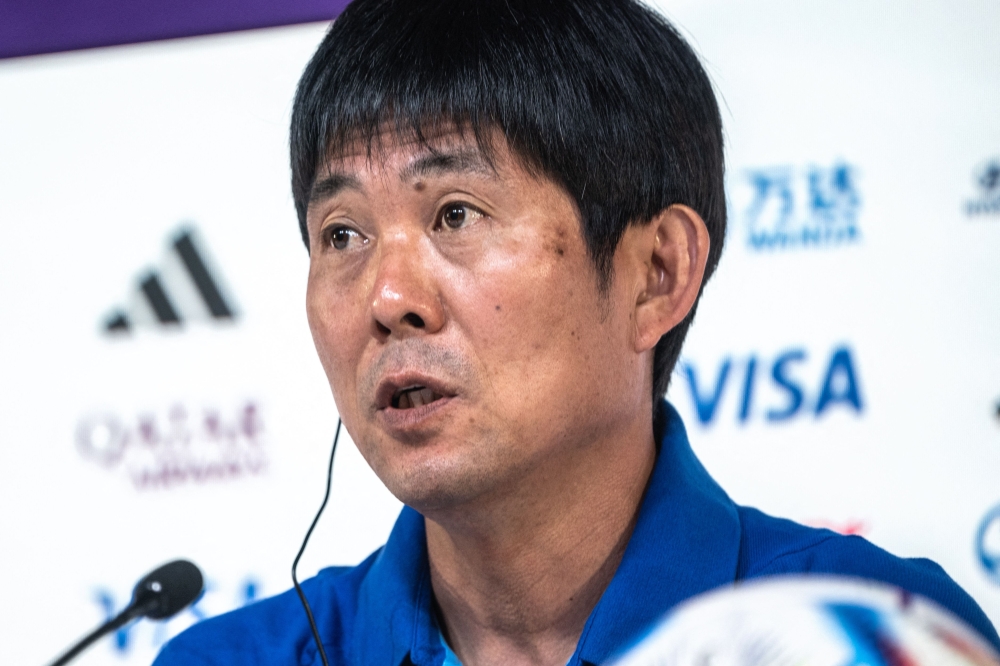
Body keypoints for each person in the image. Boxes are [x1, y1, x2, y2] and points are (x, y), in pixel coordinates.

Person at [154, 0, 1000, 664]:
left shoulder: (867, 638)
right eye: (342, 233)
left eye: (456, 213)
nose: (388, 297)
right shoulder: (231, 659)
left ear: (656, 274)